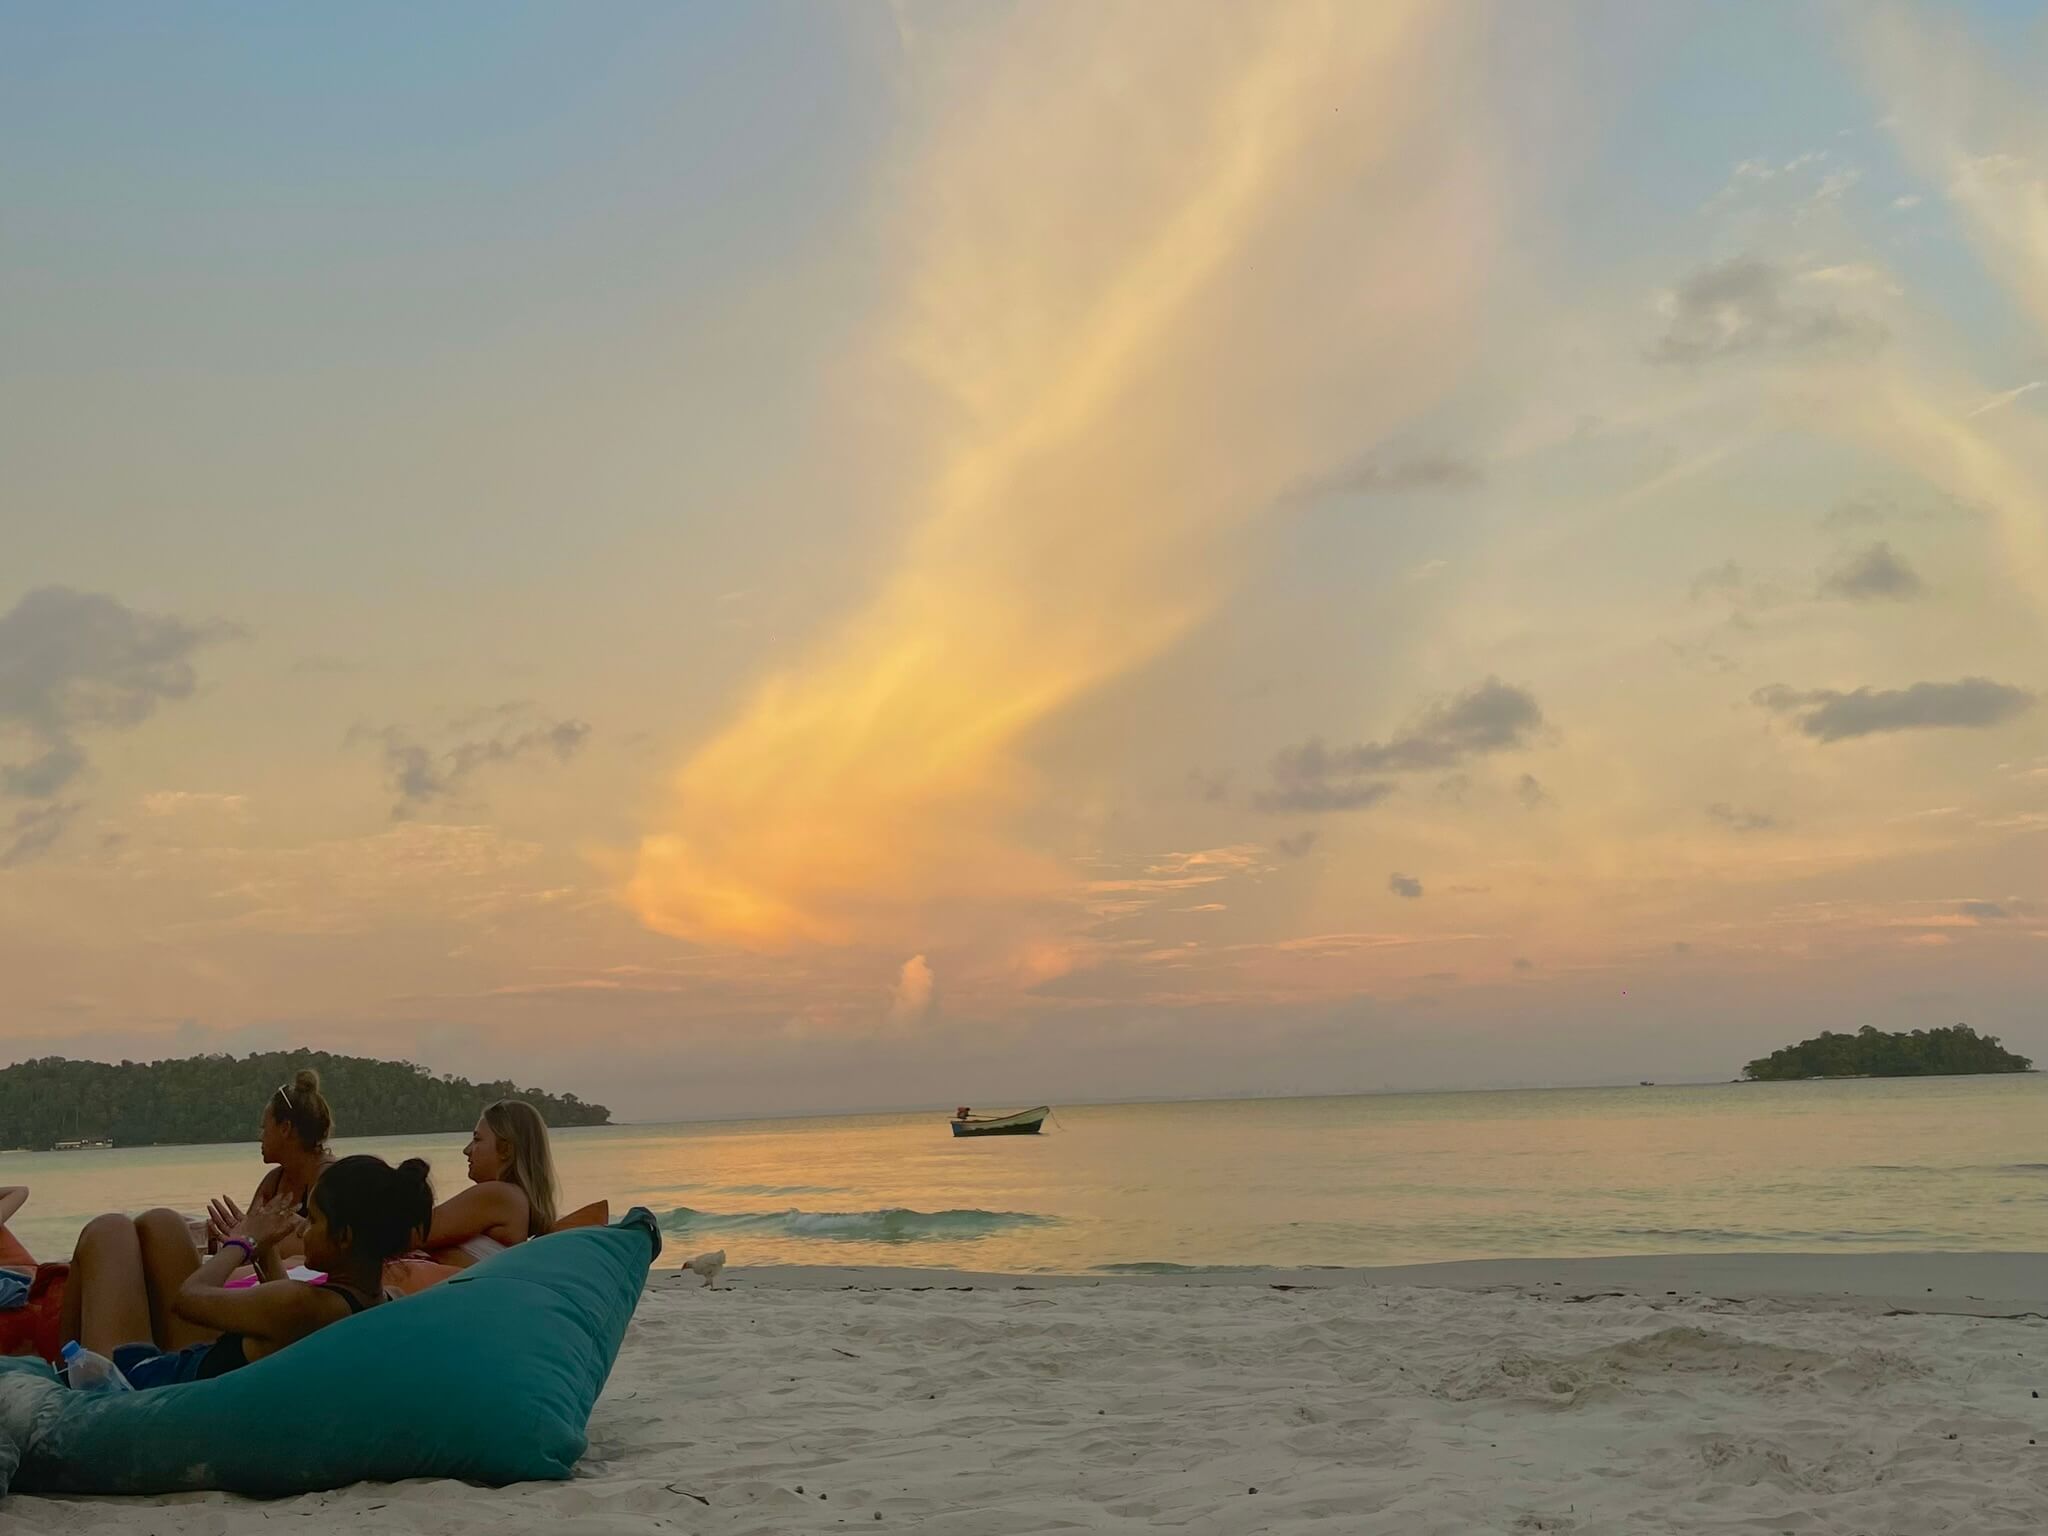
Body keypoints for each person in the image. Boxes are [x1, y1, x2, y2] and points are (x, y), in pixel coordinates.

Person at [69, 1155, 432, 1388]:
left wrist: (240, 1244)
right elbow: (290, 1331)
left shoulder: (300, 1304)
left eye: (315, 1219)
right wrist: (267, 1248)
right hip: (203, 1367)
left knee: (108, 1230)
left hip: (147, 1383)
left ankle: (65, 1376)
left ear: (344, 1237)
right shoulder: (382, 1301)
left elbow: (187, 1298)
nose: (303, 1229)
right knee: (162, 1223)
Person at [58, 1070, 338, 1351]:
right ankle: (69, 1367)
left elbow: (288, 1246)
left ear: (285, 1129)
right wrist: (239, 1238)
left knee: (110, 1230)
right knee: (161, 1221)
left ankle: (69, 1370)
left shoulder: (329, 1183)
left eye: (264, 1128)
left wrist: (250, 1238)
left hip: (231, 1322)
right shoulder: (274, 1181)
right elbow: (255, 1240)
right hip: (250, 1299)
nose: (259, 1137)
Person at [418, 1099, 559, 1268]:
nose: (467, 1150)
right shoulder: (515, 1200)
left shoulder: (499, 1194)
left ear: (505, 1149)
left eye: (477, 1139)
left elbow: (409, 1234)